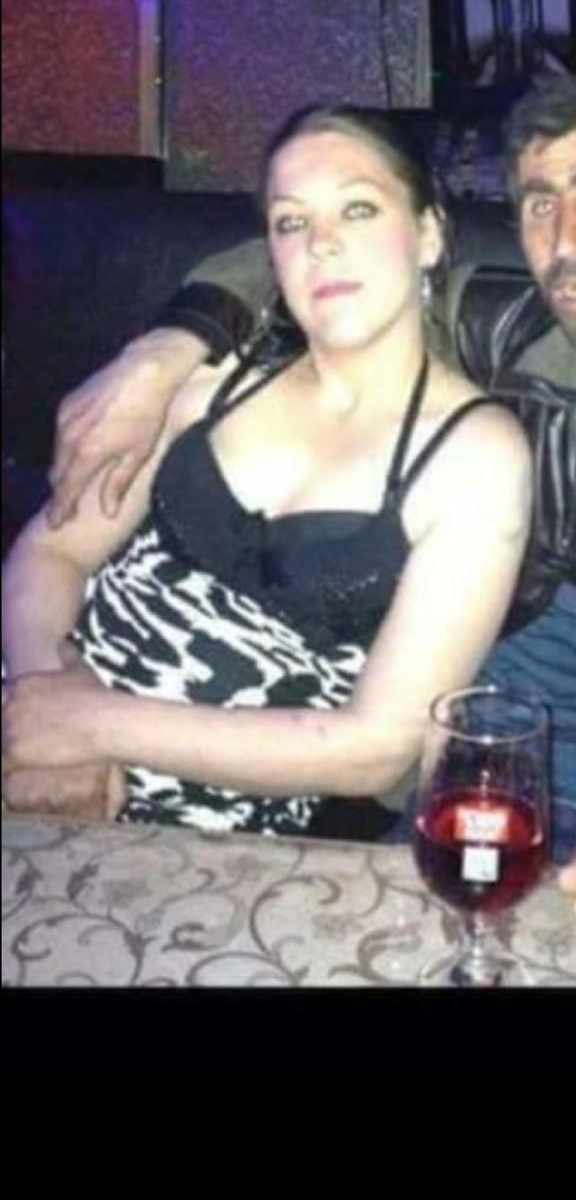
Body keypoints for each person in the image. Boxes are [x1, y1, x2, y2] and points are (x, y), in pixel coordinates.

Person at [14, 79, 576, 984]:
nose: (567, 241)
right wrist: (167, 347)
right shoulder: (500, 334)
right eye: (539, 203)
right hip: (430, 811)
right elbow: (312, 254)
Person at [1, 106, 531, 839]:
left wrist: (94, 725)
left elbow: (379, 749)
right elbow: (52, 549)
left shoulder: (477, 456)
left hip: (205, 830)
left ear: (429, 234)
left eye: (358, 208)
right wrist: (43, 702)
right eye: (291, 221)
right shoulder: (205, 385)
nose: (321, 243)